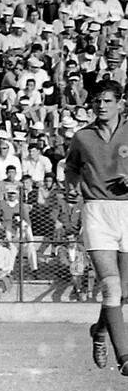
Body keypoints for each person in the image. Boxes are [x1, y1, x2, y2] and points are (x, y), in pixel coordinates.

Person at [62, 80, 128, 375]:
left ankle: (100, 330)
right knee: (110, 286)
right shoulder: (82, 137)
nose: (102, 106)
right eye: (97, 101)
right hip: (97, 212)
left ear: (121, 103)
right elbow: (72, 168)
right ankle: (125, 357)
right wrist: (71, 188)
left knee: (124, 293)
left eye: (108, 101)